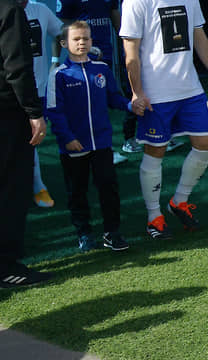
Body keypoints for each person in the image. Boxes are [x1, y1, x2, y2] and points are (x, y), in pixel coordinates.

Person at [119, 0, 208, 239]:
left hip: (190, 88)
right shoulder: (136, 0)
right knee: (156, 152)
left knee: (204, 144)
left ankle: (179, 200)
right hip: (156, 94)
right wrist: (137, 93)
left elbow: (199, 38)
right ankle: (154, 216)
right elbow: (131, 54)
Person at [46, 21, 131, 252]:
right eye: (76, 39)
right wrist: (68, 138)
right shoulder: (59, 75)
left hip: (102, 143)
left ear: (92, 41)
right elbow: (54, 112)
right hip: (74, 145)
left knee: (108, 186)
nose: (82, 42)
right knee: (77, 191)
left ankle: (112, 233)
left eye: (86, 38)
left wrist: (132, 106)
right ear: (64, 44)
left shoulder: (101, 68)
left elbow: (114, 98)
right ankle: (83, 233)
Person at [0, 0, 52, 289]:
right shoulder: (9, 9)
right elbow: (17, 67)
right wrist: (34, 113)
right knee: (10, 187)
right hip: (6, 113)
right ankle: (6, 265)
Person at [55, 0, 133, 161]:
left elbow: (119, 25)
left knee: (102, 101)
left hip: (104, 58)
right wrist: (57, 59)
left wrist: (129, 46)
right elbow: (62, 30)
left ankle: (106, 147)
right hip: (80, 60)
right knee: (81, 103)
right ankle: (78, 144)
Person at [10, 0, 61, 208]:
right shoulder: (4, 13)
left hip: (37, 88)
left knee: (33, 138)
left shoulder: (39, 9)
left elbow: (61, 31)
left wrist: (83, 48)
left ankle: (38, 186)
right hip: (10, 92)